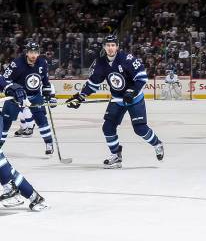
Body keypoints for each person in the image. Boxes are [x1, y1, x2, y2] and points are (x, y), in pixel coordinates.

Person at [65, 35, 164, 169]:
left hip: (135, 99)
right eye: (108, 45)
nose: (110, 48)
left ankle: (157, 144)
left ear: (117, 46)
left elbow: (141, 77)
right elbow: (94, 83)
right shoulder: (100, 62)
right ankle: (116, 155)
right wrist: (80, 96)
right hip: (117, 99)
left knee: (140, 129)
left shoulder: (127, 59)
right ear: (104, 47)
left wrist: (132, 92)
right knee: (107, 127)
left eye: (113, 45)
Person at [0, 40, 56, 155]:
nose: (33, 55)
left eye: (36, 52)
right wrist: (14, 90)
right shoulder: (17, 63)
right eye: (31, 52)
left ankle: (49, 143)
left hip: (35, 96)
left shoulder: (43, 62)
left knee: (42, 119)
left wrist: (49, 95)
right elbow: (4, 79)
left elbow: (45, 81)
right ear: (26, 52)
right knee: (6, 121)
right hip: (16, 98)